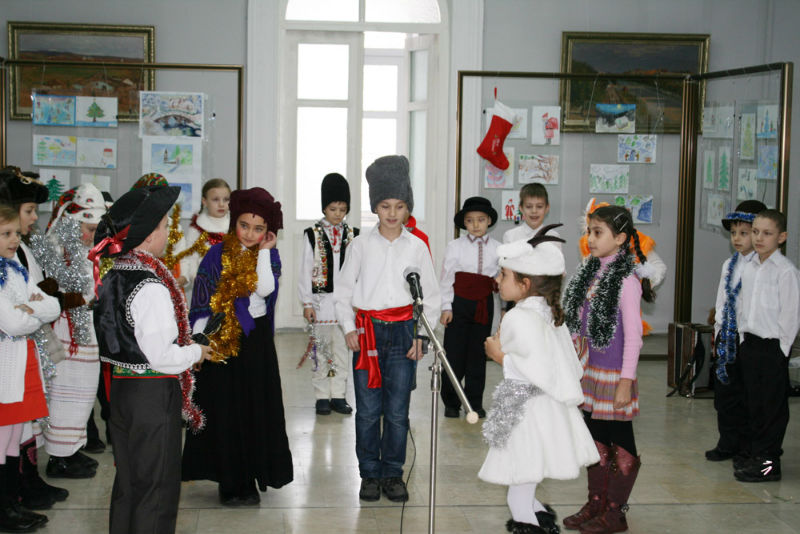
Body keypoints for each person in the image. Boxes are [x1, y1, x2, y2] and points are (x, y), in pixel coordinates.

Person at [91, 185, 213, 533]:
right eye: (163, 226)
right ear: (146, 236)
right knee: (156, 487)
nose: (169, 233)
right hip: (151, 393)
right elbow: (160, 356)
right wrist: (197, 351)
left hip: (122, 390)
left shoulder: (112, 275)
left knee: (129, 482)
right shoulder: (151, 286)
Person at [479, 224, 599, 534]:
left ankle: (532, 527)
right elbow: (561, 366)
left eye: (503, 275)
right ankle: (544, 524)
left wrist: (499, 355)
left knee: (518, 489)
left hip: (526, 414)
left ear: (525, 283)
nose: (497, 280)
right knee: (525, 482)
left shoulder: (519, 316)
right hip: (543, 411)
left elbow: (535, 369)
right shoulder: (547, 311)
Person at [334, 155, 440, 503]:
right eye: (385, 206)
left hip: (404, 334)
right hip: (367, 334)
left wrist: (422, 336)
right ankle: (369, 473)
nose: (392, 213)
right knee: (367, 411)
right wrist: (348, 327)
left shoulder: (417, 247)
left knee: (396, 411)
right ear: (375, 208)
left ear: (408, 208)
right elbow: (343, 292)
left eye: (399, 206)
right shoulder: (360, 245)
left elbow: (432, 297)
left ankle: (393, 472)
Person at [182, 187, 294, 506]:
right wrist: (199, 342)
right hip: (220, 340)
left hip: (255, 341)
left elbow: (265, 288)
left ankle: (250, 476)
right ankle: (229, 480)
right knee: (225, 409)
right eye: (244, 225)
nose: (249, 233)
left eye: (259, 229)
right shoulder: (216, 254)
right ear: (234, 223)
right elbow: (201, 300)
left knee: (253, 407)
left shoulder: (268, 257)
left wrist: (266, 251)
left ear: (268, 232)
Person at [562, 206, 654, 534]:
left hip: (615, 375)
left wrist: (626, 381)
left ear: (620, 238)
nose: (590, 238)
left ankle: (616, 511)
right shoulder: (589, 272)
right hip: (591, 372)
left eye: (598, 232)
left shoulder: (627, 280)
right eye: (589, 231)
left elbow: (634, 336)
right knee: (595, 438)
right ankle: (596, 502)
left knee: (621, 440)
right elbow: (578, 323)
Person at [0, 166, 70, 510]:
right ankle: (9, 501)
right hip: (9, 361)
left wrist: (31, 308)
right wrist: (31, 310)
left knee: (18, 429)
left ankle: (18, 493)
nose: (16, 238)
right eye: (7, 232)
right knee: (7, 433)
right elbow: (13, 321)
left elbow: (51, 304)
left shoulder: (15, 261)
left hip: (24, 358)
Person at [41, 184, 108, 479]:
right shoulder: (58, 248)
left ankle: (72, 448)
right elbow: (55, 292)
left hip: (85, 329)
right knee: (65, 394)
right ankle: (59, 457)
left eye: (96, 230)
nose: (92, 235)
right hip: (67, 332)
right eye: (89, 229)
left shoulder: (86, 249)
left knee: (83, 393)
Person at [733, 209, 800, 482]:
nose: (759, 238)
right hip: (750, 343)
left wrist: (782, 350)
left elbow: (790, 316)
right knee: (753, 404)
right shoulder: (749, 267)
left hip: (772, 348)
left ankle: (770, 465)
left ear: (781, 237)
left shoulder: (786, 271)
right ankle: (756, 454)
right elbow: (742, 305)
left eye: (767, 233)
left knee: (771, 408)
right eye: (756, 232)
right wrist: (742, 338)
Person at [705, 200, 766, 466]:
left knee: (748, 395)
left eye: (744, 233)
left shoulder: (762, 267)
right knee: (725, 394)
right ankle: (728, 442)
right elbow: (721, 300)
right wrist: (717, 332)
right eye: (733, 233)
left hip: (748, 339)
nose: (737, 239)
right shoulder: (729, 265)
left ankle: (747, 447)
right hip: (727, 337)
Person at [297, 173, 359, 416]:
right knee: (321, 351)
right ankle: (322, 395)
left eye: (343, 209)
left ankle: (339, 395)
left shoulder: (354, 235)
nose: (338, 214)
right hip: (321, 304)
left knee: (343, 351)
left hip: (345, 304)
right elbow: (305, 270)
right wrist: (307, 302)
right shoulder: (312, 234)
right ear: (324, 207)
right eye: (333, 209)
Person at [439, 196, 500, 419]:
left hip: (483, 304)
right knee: (454, 353)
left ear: (489, 221)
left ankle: (474, 402)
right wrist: (446, 306)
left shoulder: (499, 248)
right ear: (464, 223)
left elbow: (500, 278)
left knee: (478, 354)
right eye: (470, 220)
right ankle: (451, 402)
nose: (476, 225)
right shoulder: (455, 247)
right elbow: (446, 279)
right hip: (459, 303)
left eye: (481, 219)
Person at [177, 178, 232, 301]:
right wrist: (196, 277)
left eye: (226, 199)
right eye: (215, 199)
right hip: (205, 286)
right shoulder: (197, 228)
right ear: (204, 201)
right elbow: (190, 257)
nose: (221, 204)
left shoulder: (235, 225)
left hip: (231, 286)